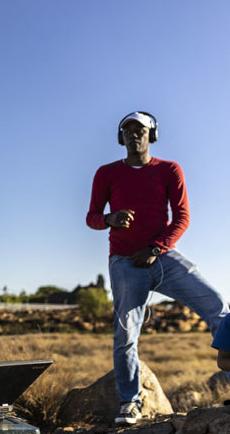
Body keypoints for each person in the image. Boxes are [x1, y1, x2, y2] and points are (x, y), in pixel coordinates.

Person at [86, 111, 228, 425]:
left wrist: (155, 248)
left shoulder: (169, 170)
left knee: (218, 304)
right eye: (128, 131)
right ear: (121, 137)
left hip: (163, 257)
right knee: (125, 334)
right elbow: (92, 217)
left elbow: (182, 218)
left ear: (152, 135)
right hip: (125, 261)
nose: (134, 135)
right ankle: (129, 403)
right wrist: (109, 219)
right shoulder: (106, 173)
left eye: (141, 130)